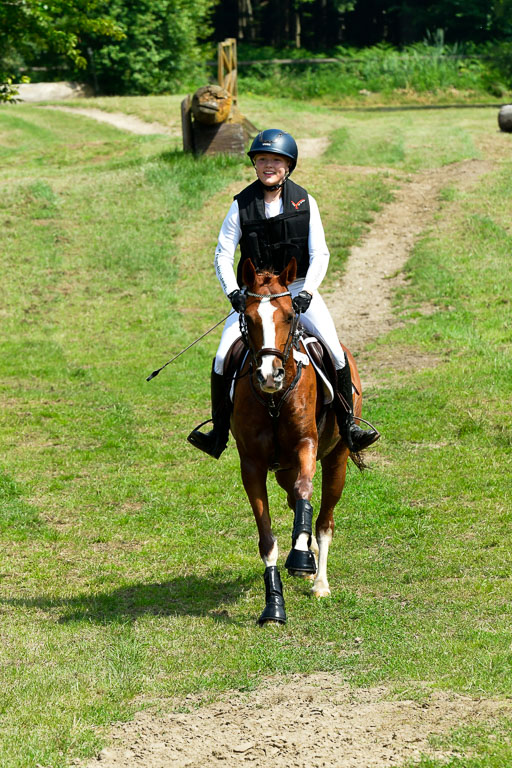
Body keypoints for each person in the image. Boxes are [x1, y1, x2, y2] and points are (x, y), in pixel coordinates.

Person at [188, 128, 379, 459]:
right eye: (262, 160)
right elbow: (222, 253)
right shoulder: (241, 205)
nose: (268, 166)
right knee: (221, 357)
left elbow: (320, 253)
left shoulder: (305, 202)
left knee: (334, 350)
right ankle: (218, 432)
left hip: (296, 290)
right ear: (255, 164)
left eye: (275, 161)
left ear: (288, 166)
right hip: (255, 297)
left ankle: (348, 426)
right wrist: (233, 292)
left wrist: (307, 291)